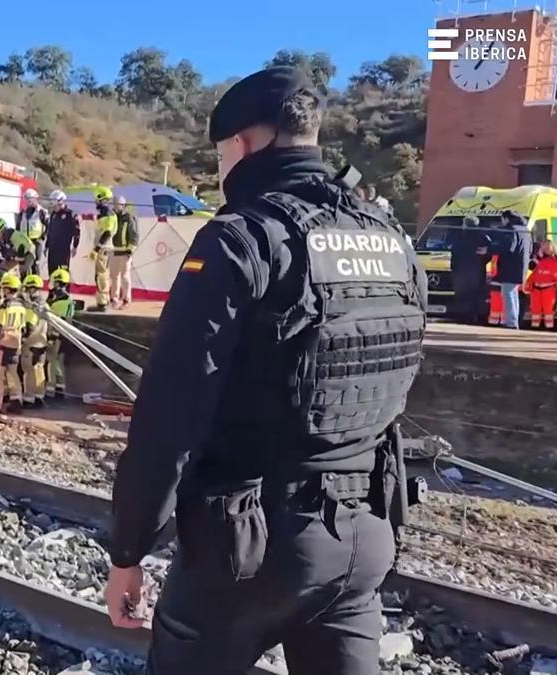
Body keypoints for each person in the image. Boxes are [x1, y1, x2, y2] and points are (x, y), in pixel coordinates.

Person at [104, 66, 426, 675]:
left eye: (221, 154)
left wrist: (129, 550)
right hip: (361, 542)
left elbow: (169, 418)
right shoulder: (391, 242)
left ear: (244, 145)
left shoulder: (239, 238)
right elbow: (394, 392)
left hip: (248, 549)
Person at [0, 273, 27, 414]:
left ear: (6, 289)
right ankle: (17, 401)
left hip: (3, 342)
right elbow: (24, 327)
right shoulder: (22, 306)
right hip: (16, 343)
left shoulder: (2, 305)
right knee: (13, 373)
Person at [490, 209, 532, 329]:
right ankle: (513, 320)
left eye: (502, 219)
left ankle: (511, 322)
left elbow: (508, 248)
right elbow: (529, 250)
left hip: (510, 267)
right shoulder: (526, 231)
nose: (502, 222)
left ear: (506, 218)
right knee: (512, 293)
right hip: (521, 267)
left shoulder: (511, 230)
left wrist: (490, 250)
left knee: (508, 293)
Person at [450, 215, 491, 324]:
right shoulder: (483, 237)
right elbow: (488, 254)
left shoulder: (459, 237)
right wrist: (482, 263)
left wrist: (454, 268)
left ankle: (461, 317)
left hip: (461, 271)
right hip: (477, 271)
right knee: (475, 295)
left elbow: (454, 254)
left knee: (462, 295)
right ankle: (473, 317)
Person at [46, 267, 75, 400]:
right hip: (66, 336)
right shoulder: (67, 299)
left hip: (57, 336)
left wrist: (52, 337)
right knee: (58, 363)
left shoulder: (59, 302)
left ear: (57, 283)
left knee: (52, 361)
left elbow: (59, 322)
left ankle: (50, 390)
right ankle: (60, 388)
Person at [20, 274, 49, 408]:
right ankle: (39, 396)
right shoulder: (45, 305)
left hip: (30, 344)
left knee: (29, 371)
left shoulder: (31, 308)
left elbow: (30, 326)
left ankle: (29, 399)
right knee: (39, 369)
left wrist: (23, 339)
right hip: (42, 342)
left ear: (30, 289)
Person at [525, 239, 557, 329]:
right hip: (536, 287)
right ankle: (535, 327)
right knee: (535, 309)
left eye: (548, 246)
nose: (546, 248)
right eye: (544, 246)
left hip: (550, 287)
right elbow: (531, 267)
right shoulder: (539, 258)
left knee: (548, 309)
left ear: (553, 247)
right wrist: (537, 258)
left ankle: (549, 327)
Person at [110, 195, 139, 309]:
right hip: (114, 251)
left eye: (118, 204)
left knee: (125, 277)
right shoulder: (112, 216)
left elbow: (134, 236)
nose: (116, 206)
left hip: (125, 252)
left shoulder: (129, 218)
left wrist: (130, 250)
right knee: (114, 277)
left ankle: (126, 299)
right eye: (114, 204)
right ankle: (114, 299)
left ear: (123, 205)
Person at [91, 186, 117, 311]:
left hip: (103, 249)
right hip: (104, 248)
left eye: (96, 199)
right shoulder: (105, 213)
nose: (95, 202)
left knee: (101, 275)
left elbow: (107, 233)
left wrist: (97, 248)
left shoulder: (106, 213)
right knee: (101, 274)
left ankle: (102, 303)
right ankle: (104, 300)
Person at [45, 190, 81, 276]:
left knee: (63, 272)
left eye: (56, 205)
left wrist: (75, 246)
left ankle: (64, 289)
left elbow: (77, 231)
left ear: (61, 202)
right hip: (52, 248)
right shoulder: (53, 214)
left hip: (64, 249)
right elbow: (50, 230)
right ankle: (52, 289)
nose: (54, 207)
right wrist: (47, 245)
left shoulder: (70, 214)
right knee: (52, 272)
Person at [16, 189, 49, 276]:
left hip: (36, 241)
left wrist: (42, 238)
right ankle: (23, 282)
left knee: (35, 263)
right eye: (27, 200)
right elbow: (18, 228)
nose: (29, 202)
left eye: (30, 199)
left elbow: (49, 226)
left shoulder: (42, 212)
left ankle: (36, 282)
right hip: (24, 241)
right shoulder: (22, 213)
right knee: (22, 264)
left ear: (35, 199)